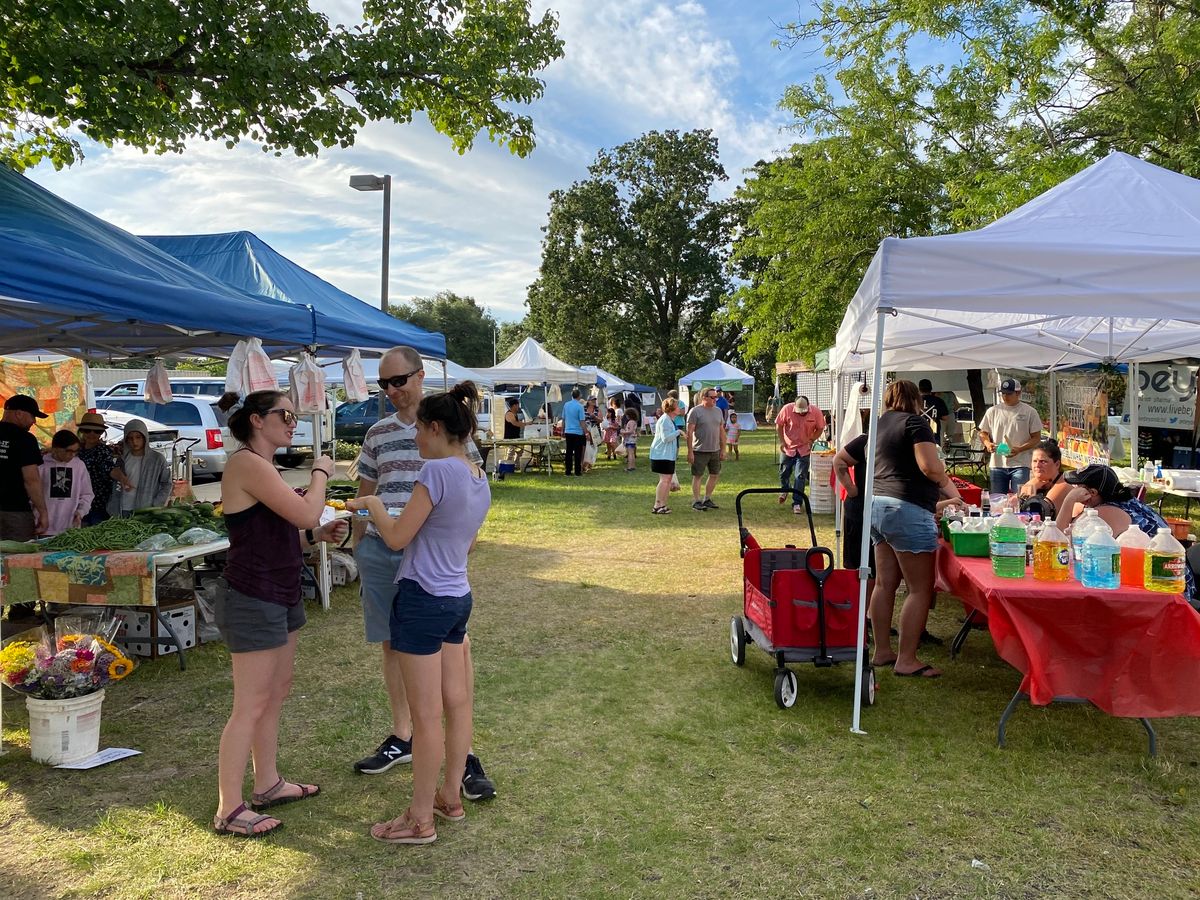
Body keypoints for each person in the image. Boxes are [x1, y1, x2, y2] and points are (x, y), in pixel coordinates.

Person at [347, 382, 491, 845]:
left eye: (419, 433)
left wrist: (370, 506)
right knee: (458, 702)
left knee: (426, 716)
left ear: (434, 427)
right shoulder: (476, 476)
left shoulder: (435, 473)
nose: (415, 442)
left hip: (422, 598)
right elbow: (465, 541)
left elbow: (395, 538)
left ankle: (419, 818)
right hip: (457, 597)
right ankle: (450, 796)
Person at [211, 390, 348, 838]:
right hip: (253, 595)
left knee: (276, 692)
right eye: (285, 415)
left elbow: (284, 531)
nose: (293, 422)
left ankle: (267, 783)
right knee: (249, 704)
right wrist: (322, 473)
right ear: (256, 420)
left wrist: (316, 538)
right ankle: (229, 808)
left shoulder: (263, 467)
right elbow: (306, 510)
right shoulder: (246, 463)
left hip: (280, 591)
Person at [868, 380, 962, 678]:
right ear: (917, 399)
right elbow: (929, 467)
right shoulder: (916, 423)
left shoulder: (880, 422)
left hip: (879, 505)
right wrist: (945, 483)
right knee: (920, 588)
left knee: (885, 584)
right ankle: (907, 659)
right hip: (907, 507)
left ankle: (882, 650)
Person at [1055, 465, 1195, 600]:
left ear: (1091, 493)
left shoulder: (1105, 513)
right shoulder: (1130, 502)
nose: (1073, 489)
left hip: (1166, 589)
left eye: (1077, 487)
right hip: (1174, 581)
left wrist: (1069, 500)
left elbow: (1058, 539)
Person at [978, 377, 1043, 500]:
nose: (1005, 396)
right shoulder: (993, 411)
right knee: (997, 500)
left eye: (1009, 393)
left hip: (1021, 463)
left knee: (1019, 499)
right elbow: (983, 432)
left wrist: (1020, 449)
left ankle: (1020, 518)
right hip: (997, 464)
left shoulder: (1029, 411)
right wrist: (987, 443)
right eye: (1003, 393)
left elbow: (1036, 438)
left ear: (1018, 393)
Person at [107, 419, 171, 516]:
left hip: (145, 511)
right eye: (130, 438)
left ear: (145, 437)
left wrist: (156, 505)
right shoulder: (122, 459)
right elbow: (116, 483)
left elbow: (167, 484)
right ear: (126, 439)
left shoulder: (157, 459)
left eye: (138, 437)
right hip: (122, 509)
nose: (134, 441)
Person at [775, 394, 826, 515]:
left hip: (804, 449)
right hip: (788, 447)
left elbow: (820, 428)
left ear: (808, 406)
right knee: (783, 472)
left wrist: (812, 439)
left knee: (800, 476)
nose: (801, 414)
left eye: (804, 412)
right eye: (799, 412)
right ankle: (785, 489)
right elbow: (779, 425)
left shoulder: (816, 412)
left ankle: (797, 503)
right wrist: (782, 442)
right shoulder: (787, 409)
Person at [36, 430, 93, 536]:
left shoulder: (79, 465)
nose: (72, 455)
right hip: (44, 527)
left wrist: (81, 512)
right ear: (55, 449)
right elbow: (33, 495)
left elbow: (87, 494)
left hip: (71, 528)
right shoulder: (41, 465)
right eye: (68, 451)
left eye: (76, 451)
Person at [76, 412, 125, 526]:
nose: (92, 434)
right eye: (88, 430)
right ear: (82, 430)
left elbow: (110, 469)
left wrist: (123, 479)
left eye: (97, 431)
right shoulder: (76, 449)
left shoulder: (103, 451)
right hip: (77, 503)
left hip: (99, 505)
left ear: (102, 433)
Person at [686, 388, 726, 511]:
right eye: (712, 397)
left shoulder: (718, 411)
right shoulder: (695, 411)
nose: (715, 399)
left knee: (715, 474)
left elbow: (721, 430)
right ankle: (696, 501)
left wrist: (723, 449)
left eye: (716, 397)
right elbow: (689, 432)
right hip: (699, 449)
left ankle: (707, 499)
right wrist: (690, 451)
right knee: (698, 475)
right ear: (704, 397)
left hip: (715, 449)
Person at [1014, 439, 1071, 519]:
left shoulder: (1063, 485)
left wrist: (1029, 490)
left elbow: (1042, 512)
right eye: (1034, 461)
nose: (1037, 465)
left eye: (1043, 462)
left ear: (1057, 464)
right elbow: (1011, 505)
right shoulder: (1036, 481)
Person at [649, 398, 680, 514]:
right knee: (664, 480)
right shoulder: (664, 420)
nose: (679, 408)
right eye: (677, 406)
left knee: (668, 480)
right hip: (660, 455)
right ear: (671, 408)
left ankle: (663, 504)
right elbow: (665, 438)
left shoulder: (670, 420)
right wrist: (679, 432)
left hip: (667, 455)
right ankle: (657, 505)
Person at [561, 388, 586, 477]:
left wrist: (562, 430)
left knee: (569, 452)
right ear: (579, 396)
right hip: (578, 432)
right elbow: (582, 421)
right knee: (578, 452)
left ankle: (568, 471)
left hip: (568, 431)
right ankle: (577, 472)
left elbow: (563, 419)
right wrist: (585, 431)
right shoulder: (580, 406)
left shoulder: (566, 405)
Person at [918, 379, 951, 447]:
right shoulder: (938, 401)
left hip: (918, 431)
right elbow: (945, 417)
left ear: (919, 389)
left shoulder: (914, 401)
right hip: (933, 431)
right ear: (931, 389)